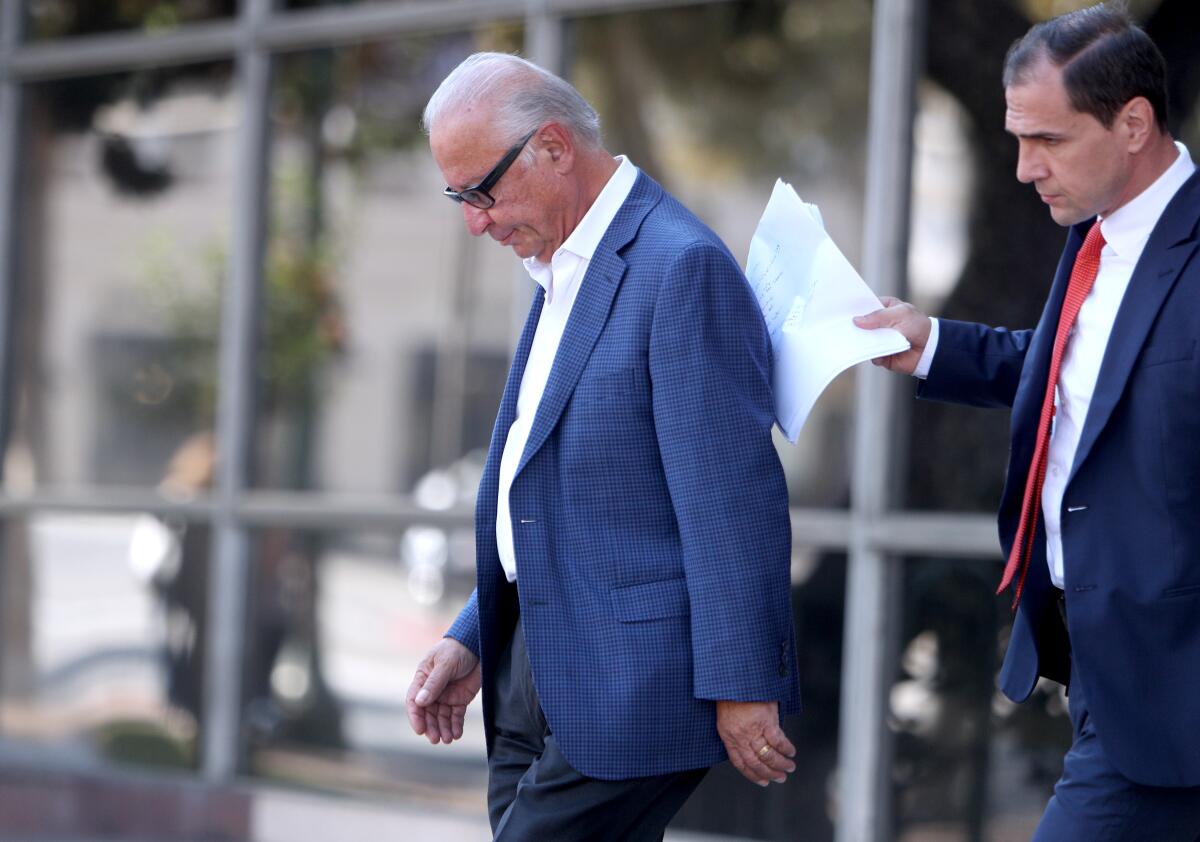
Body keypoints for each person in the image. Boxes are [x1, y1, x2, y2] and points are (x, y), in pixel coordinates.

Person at [404, 53, 801, 840]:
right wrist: (477, 635)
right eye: (458, 196)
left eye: (481, 190)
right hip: (533, 664)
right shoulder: (559, 263)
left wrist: (744, 685)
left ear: (553, 147)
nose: (474, 220)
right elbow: (555, 498)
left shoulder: (680, 267)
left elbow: (730, 502)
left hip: (635, 686)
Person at [855, 4, 1200, 839]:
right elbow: (1075, 378)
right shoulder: (1097, 240)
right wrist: (932, 342)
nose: (1022, 168)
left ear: (1133, 123)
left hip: (1172, 682)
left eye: (1047, 140)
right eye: (1017, 139)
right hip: (1106, 680)